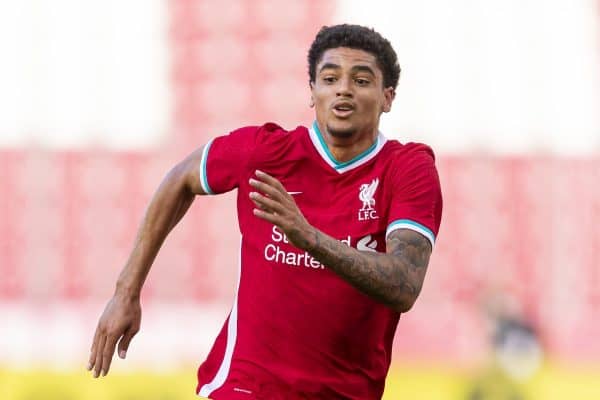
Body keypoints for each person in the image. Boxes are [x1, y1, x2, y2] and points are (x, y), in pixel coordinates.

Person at [87, 24, 443, 399]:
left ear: (387, 97)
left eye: (361, 80)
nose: (343, 89)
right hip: (247, 385)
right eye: (330, 78)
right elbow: (180, 178)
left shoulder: (407, 168)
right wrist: (126, 292)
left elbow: (404, 284)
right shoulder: (268, 152)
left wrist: (308, 236)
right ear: (312, 93)